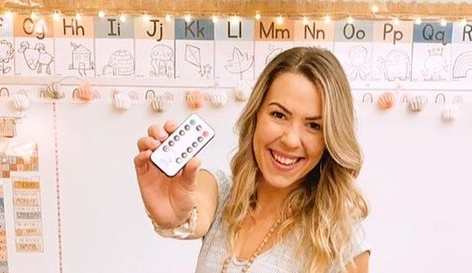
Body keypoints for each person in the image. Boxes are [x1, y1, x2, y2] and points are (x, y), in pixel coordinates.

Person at [134, 46, 370, 272]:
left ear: (331, 138)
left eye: (314, 125)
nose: (290, 140)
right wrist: (171, 218)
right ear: (256, 114)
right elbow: (191, 216)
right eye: (278, 115)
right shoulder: (221, 193)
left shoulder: (342, 240)